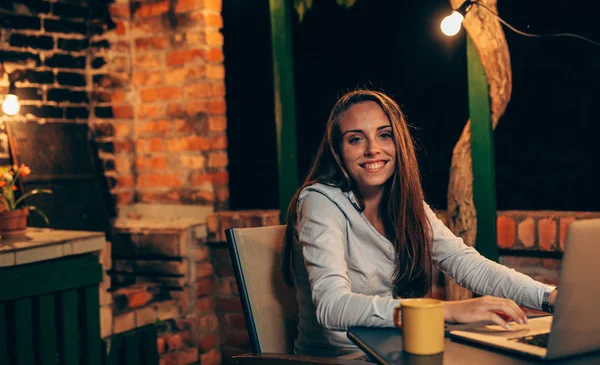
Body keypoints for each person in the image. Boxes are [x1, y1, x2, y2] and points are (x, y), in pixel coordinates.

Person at [280, 89, 558, 359]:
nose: (372, 149)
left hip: (391, 351)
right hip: (339, 360)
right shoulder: (319, 201)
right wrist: (444, 311)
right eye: (355, 139)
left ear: (398, 142)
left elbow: (466, 263)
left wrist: (549, 297)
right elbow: (331, 306)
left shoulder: (405, 203)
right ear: (337, 150)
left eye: (384, 135)